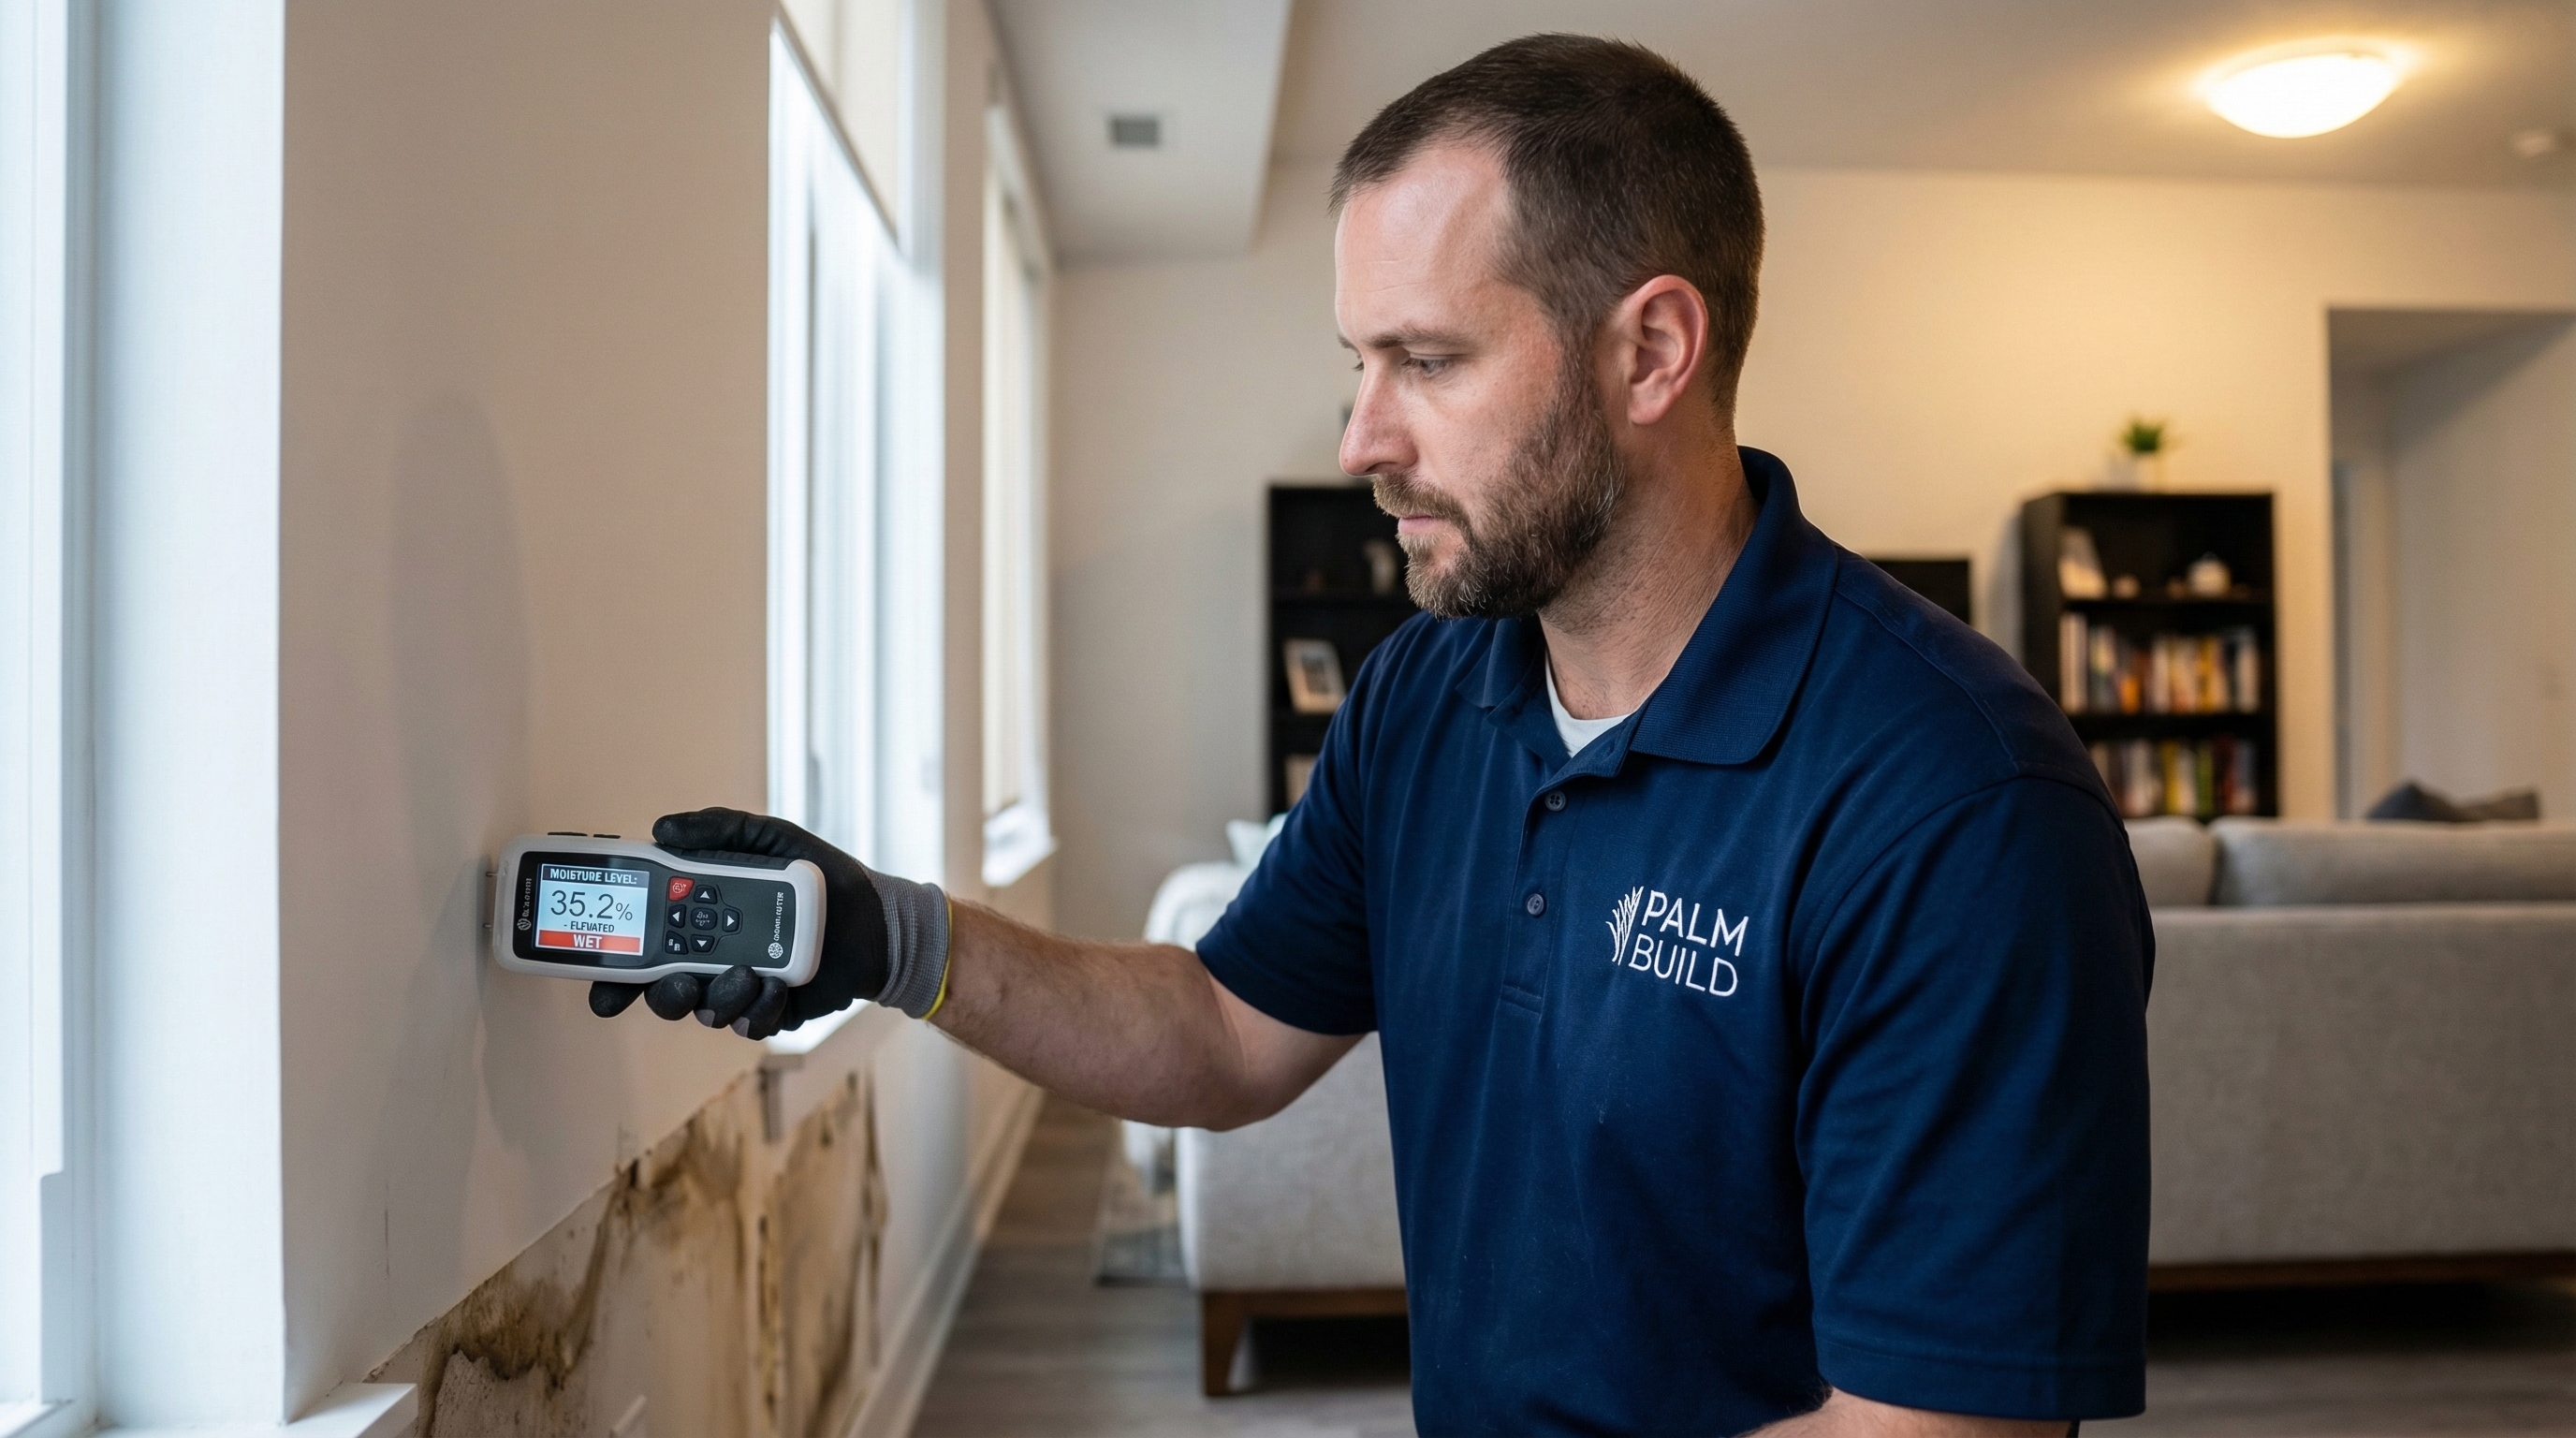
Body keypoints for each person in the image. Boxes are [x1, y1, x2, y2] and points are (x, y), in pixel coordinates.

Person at [595, 34, 2151, 1437]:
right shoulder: (1428, 695)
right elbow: (1222, 1029)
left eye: (1427, 361)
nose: (1361, 440)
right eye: (1358, 364)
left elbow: (1933, 1437)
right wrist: (887, 937)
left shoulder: (1958, 809)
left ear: (1652, 352)